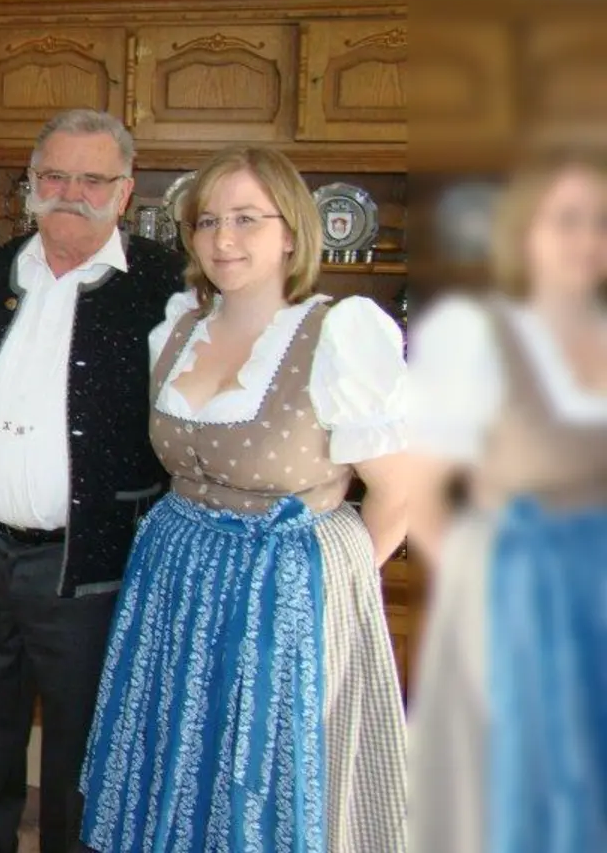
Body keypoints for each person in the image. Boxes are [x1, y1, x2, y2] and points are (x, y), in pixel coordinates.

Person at [78, 144, 412, 852]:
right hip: (175, 580)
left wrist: (320, 591)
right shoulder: (179, 327)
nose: (223, 239)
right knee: (176, 757)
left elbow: (401, 492)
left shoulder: (340, 334)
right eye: (207, 222)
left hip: (282, 593)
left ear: (291, 229)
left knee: (261, 778)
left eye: (247, 219)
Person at [0, 109, 183, 853]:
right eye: (53, 175)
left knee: (84, 744)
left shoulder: (165, 284)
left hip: (88, 561)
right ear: (31, 184)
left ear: (126, 189)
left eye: (92, 178)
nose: (70, 192)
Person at [406, 151, 607, 853]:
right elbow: (418, 490)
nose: (586, 240)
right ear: (524, 232)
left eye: (600, 223)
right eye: (566, 221)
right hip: (516, 596)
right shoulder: (472, 336)